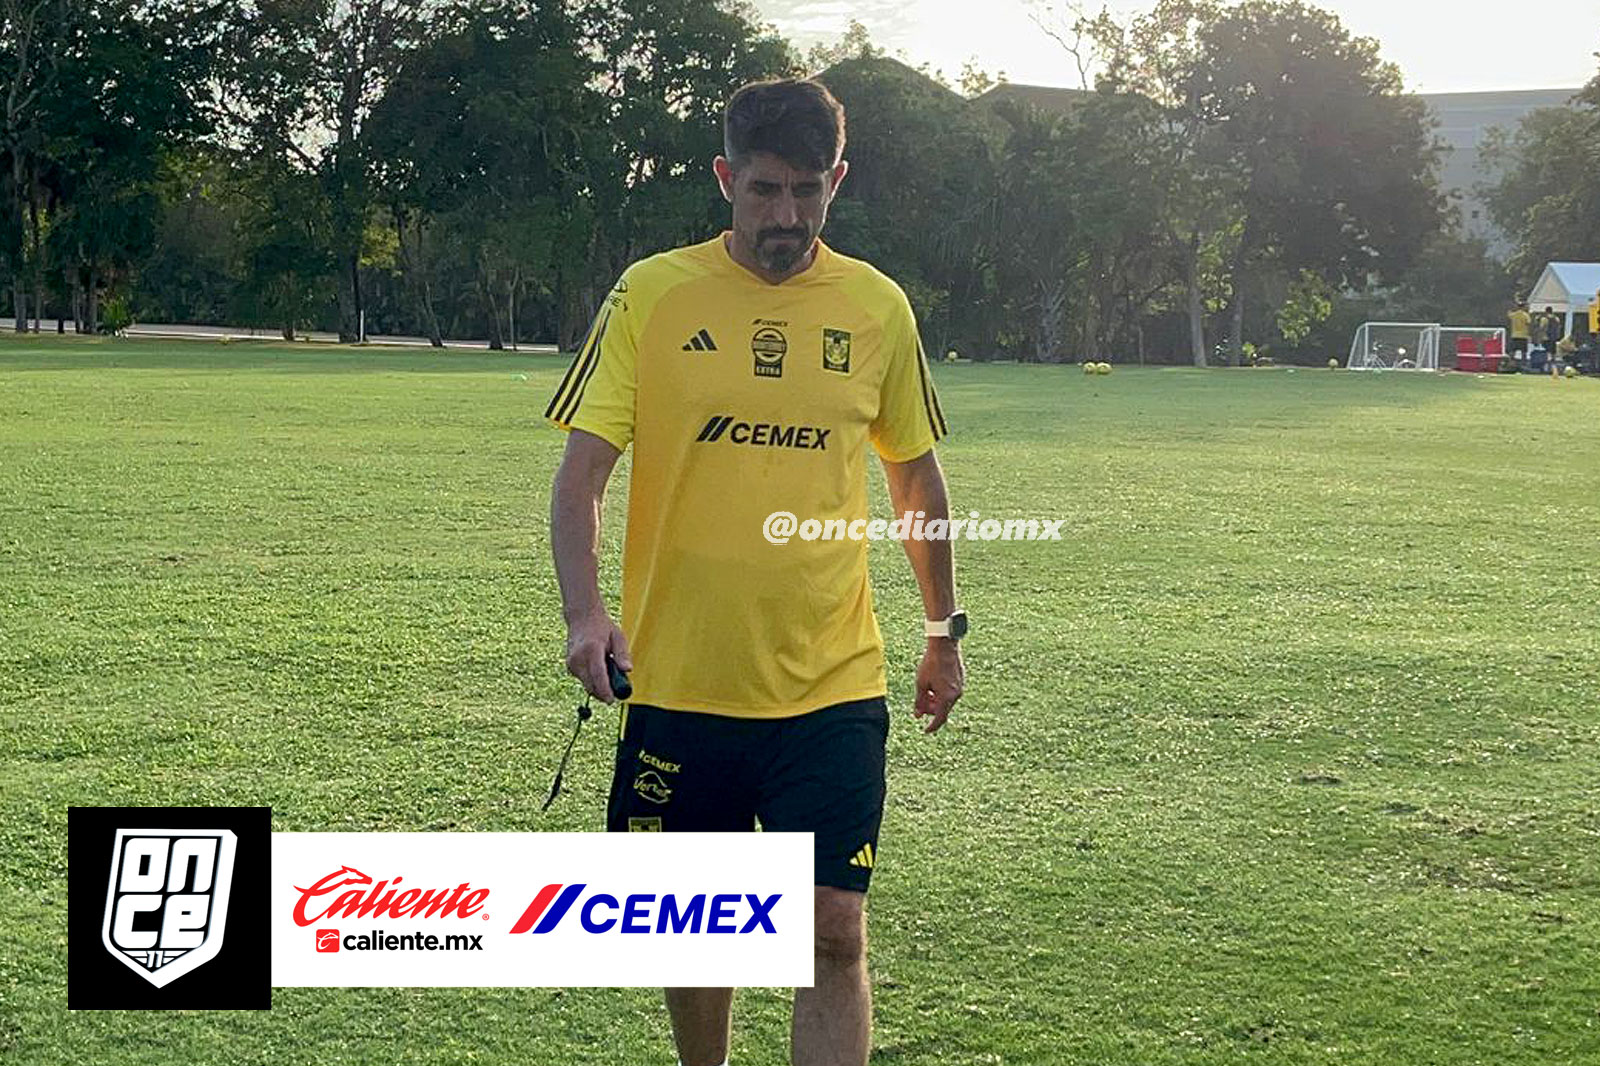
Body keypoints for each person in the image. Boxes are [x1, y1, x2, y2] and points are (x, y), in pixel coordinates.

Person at [546, 78, 965, 1066]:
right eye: (765, 192)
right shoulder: (652, 293)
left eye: (808, 194)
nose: (786, 217)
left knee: (831, 929)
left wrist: (943, 630)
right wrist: (583, 614)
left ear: (838, 182)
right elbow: (581, 479)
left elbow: (915, 476)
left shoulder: (874, 306)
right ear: (726, 178)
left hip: (831, 679)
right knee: (700, 931)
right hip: (681, 677)